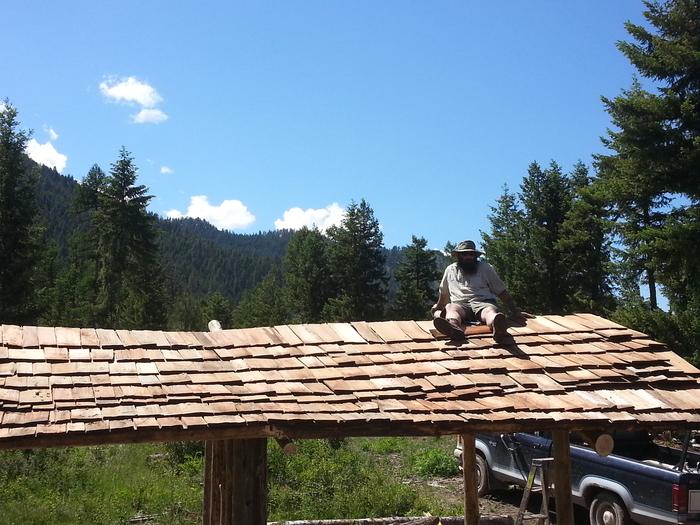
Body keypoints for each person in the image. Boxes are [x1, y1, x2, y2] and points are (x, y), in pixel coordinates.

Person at [431, 240, 528, 342]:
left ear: (475, 256)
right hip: (460, 304)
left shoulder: (485, 268)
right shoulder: (450, 270)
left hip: (483, 302)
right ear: (459, 256)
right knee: (451, 308)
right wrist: (437, 307)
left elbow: (501, 291)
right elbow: (444, 294)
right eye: (465, 254)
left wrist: (515, 311)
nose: (468, 256)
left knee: (489, 311)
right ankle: (453, 327)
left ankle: (497, 325)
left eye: (471, 254)